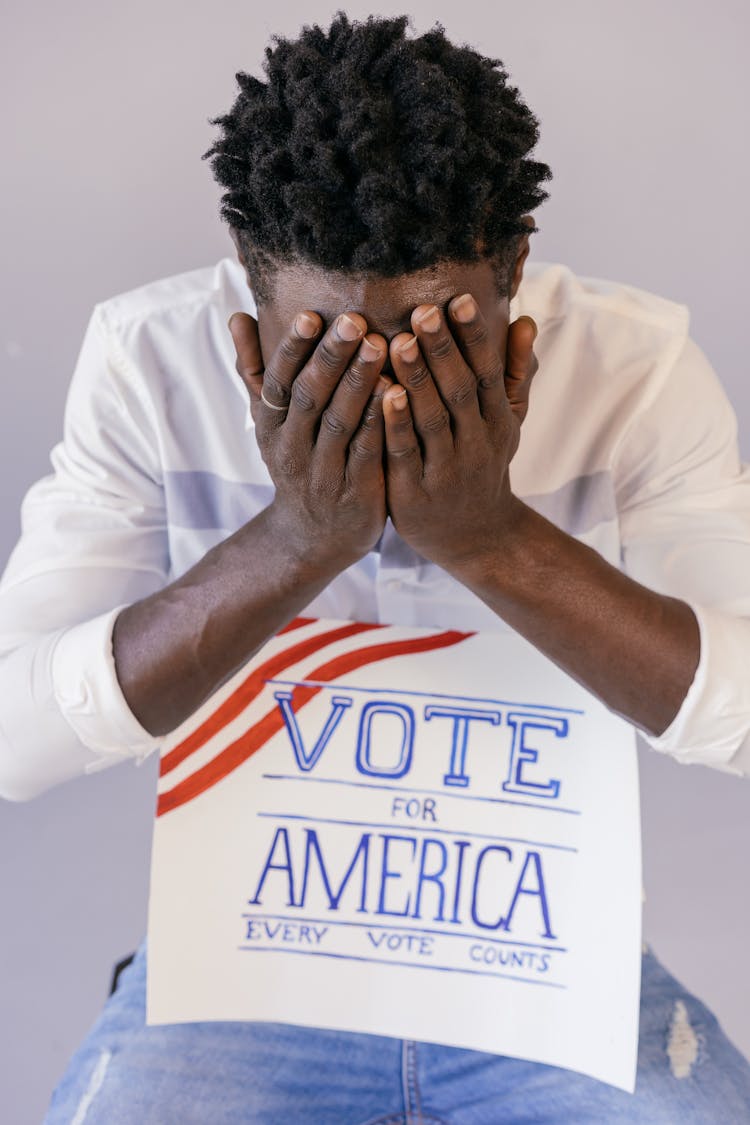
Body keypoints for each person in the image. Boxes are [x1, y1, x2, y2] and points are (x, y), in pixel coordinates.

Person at [2, 12, 749, 1123]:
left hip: (547, 963)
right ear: (249, 301)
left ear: (516, 277)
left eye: (441, 335)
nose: (391, 389)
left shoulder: (636, 368)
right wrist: (293, 544)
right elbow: (15, 735)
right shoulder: (146, 358)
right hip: (241, 968)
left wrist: (493, 539)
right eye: (333, 353)